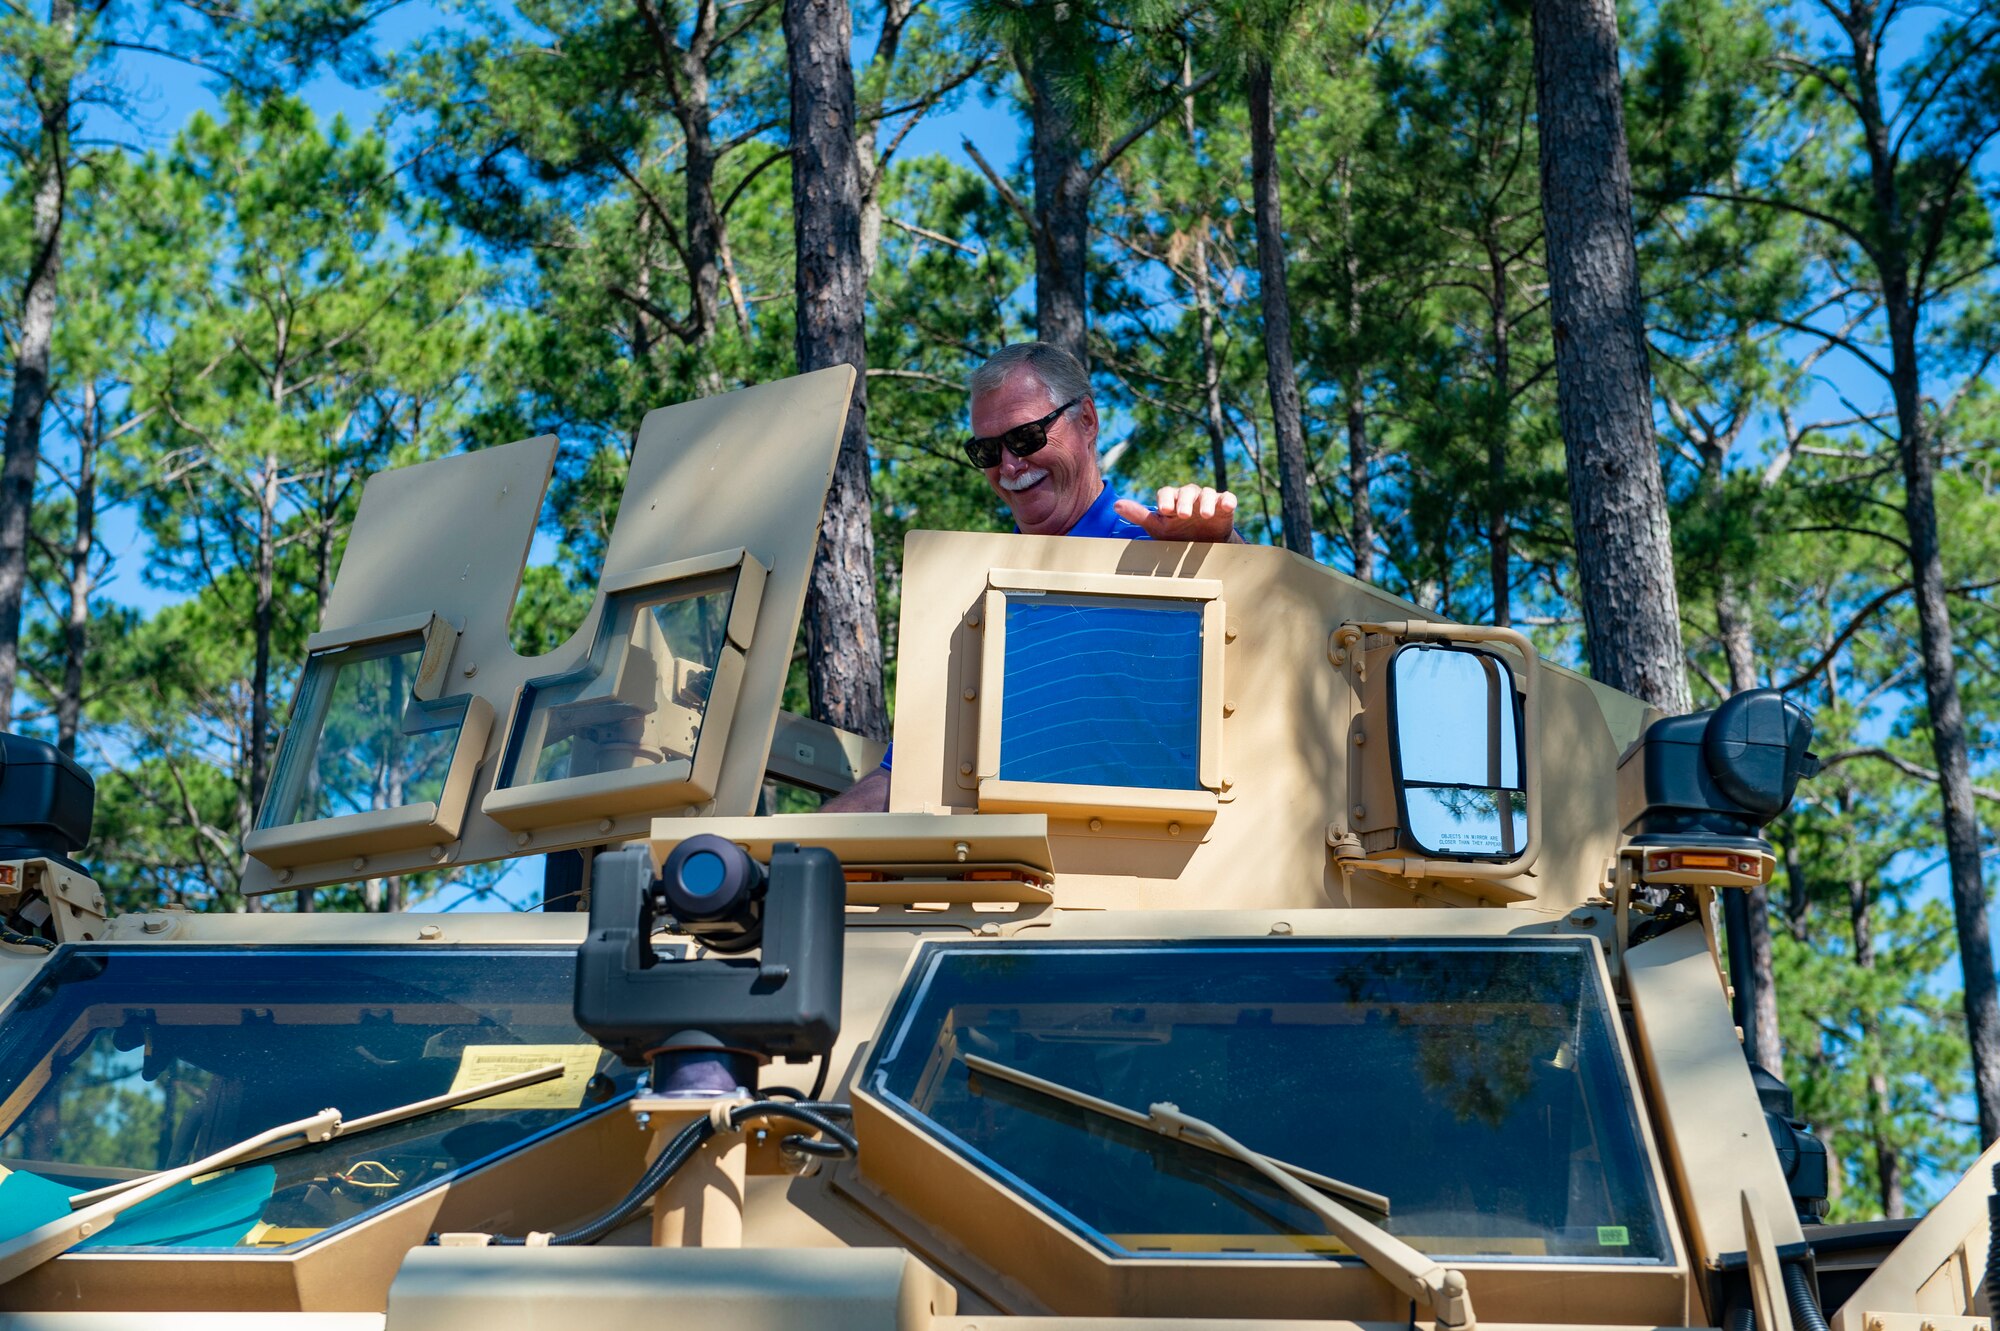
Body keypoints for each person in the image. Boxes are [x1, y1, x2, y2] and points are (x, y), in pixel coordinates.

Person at [821, 342, 1240, 813]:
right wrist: (781, 853)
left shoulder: (1169, 551)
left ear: (1087, 420)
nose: (1009, 466)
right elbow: (905, 778)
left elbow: (1266, 661)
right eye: (987, 451)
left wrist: (1224, 552)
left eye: (1025, 437)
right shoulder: (972, 603)